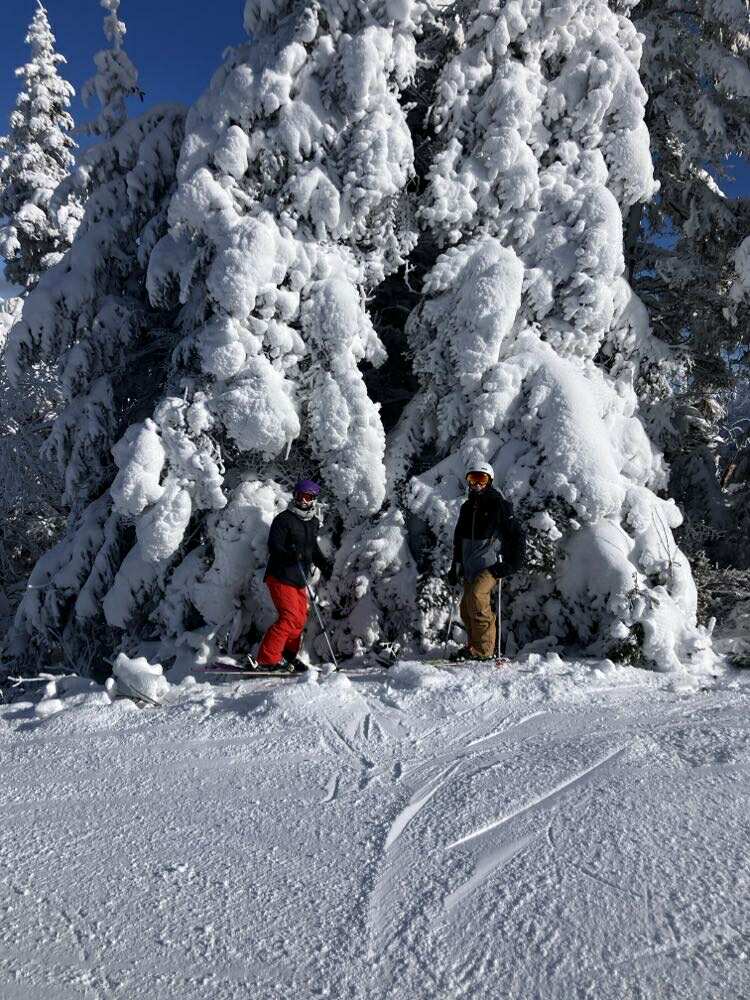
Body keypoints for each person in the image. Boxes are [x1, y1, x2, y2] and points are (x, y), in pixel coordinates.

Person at [446, 462, 524, 662]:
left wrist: (511, 564)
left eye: (481, 479)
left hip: (490, 566)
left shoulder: (499, 505)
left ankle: (484, 651)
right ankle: (473, 647)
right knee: (466, 607)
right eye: (473, 479)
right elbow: (458, 539)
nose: (477, 484)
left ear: (490, 481)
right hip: (469, 565)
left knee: (477, 598)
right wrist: (455, 565)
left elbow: (516, 535)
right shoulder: (467, 507)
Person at [256, 479, 333, 672]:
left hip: (298, 577)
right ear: (295, 497)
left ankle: (288, 655)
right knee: (289, 617)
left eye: (307, 497)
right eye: (300, 496)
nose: (303, 501)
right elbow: (274, 546)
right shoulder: (284, 520)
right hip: (280, 575)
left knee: (299, 619)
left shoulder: (313, 521)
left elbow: (312, 547)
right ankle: (267, 660)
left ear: (313, 500)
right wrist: (290, 554)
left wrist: (323, 562)